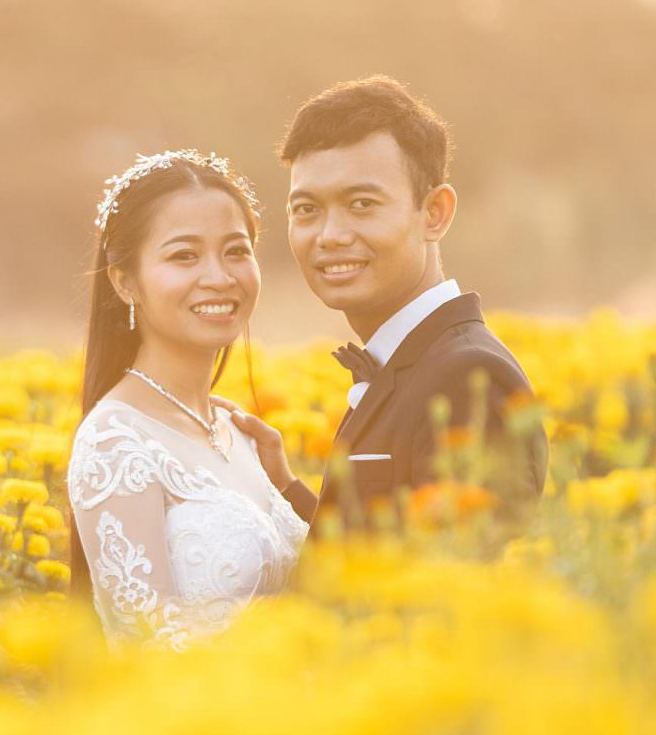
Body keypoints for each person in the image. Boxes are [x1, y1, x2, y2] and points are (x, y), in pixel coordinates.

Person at [226, 76, 548, 532]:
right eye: (306, 209)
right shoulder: (407, 360)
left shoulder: (468, 376)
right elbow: (377, 553)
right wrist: (283, 485)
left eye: (361, 204)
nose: (330, 235)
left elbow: (456, 583)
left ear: (434, 213)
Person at [66, 150, 309, 650]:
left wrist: (286, 484)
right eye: (184, 256)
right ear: (125, 281)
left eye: (236, 251)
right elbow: (146, 651)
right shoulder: (116, 442)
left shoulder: (236, 432)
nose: (219, 277)